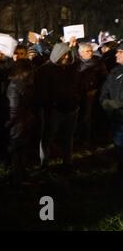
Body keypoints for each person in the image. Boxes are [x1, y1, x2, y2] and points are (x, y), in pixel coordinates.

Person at [35, 42, 81, 171]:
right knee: (47, 137)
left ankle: (68, 162)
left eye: (68, 55)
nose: (66, 57)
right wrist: (50, 105)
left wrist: (76, 99)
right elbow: (42, 91)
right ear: (56, 55)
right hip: (54, 110)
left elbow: (77, 84)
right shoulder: (45, 70)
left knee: (68, 137)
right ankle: (44, 163)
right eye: (63, 55)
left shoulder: (72, 68)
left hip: (72, 108)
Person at [6, 59, 35, 186]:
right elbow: (15, 107)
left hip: (21, 122)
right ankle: (20, 176)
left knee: (19, 150)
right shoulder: (20, 85)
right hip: (22, 122)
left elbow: (15, 108)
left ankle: (19, 176)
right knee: (20, 150)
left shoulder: (18, 85)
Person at [75, 43, 108, 148]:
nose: (91, 53)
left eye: (91, 51)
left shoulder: (98, 62)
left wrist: (96, 90)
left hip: (91, 94)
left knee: (87, 117)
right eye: (87, 51)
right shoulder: (76, 63)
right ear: (80, 53)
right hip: (78, 94)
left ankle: (87, 138)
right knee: (78, 116)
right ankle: (77, 136)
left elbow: (105, 79)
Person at [100, 43, 123, 180]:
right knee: (118, 146)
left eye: (120, 52)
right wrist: (104, 101)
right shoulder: (115, 71)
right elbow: (105, 89)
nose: (116, 54)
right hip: (116, 117)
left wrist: (111, 104)